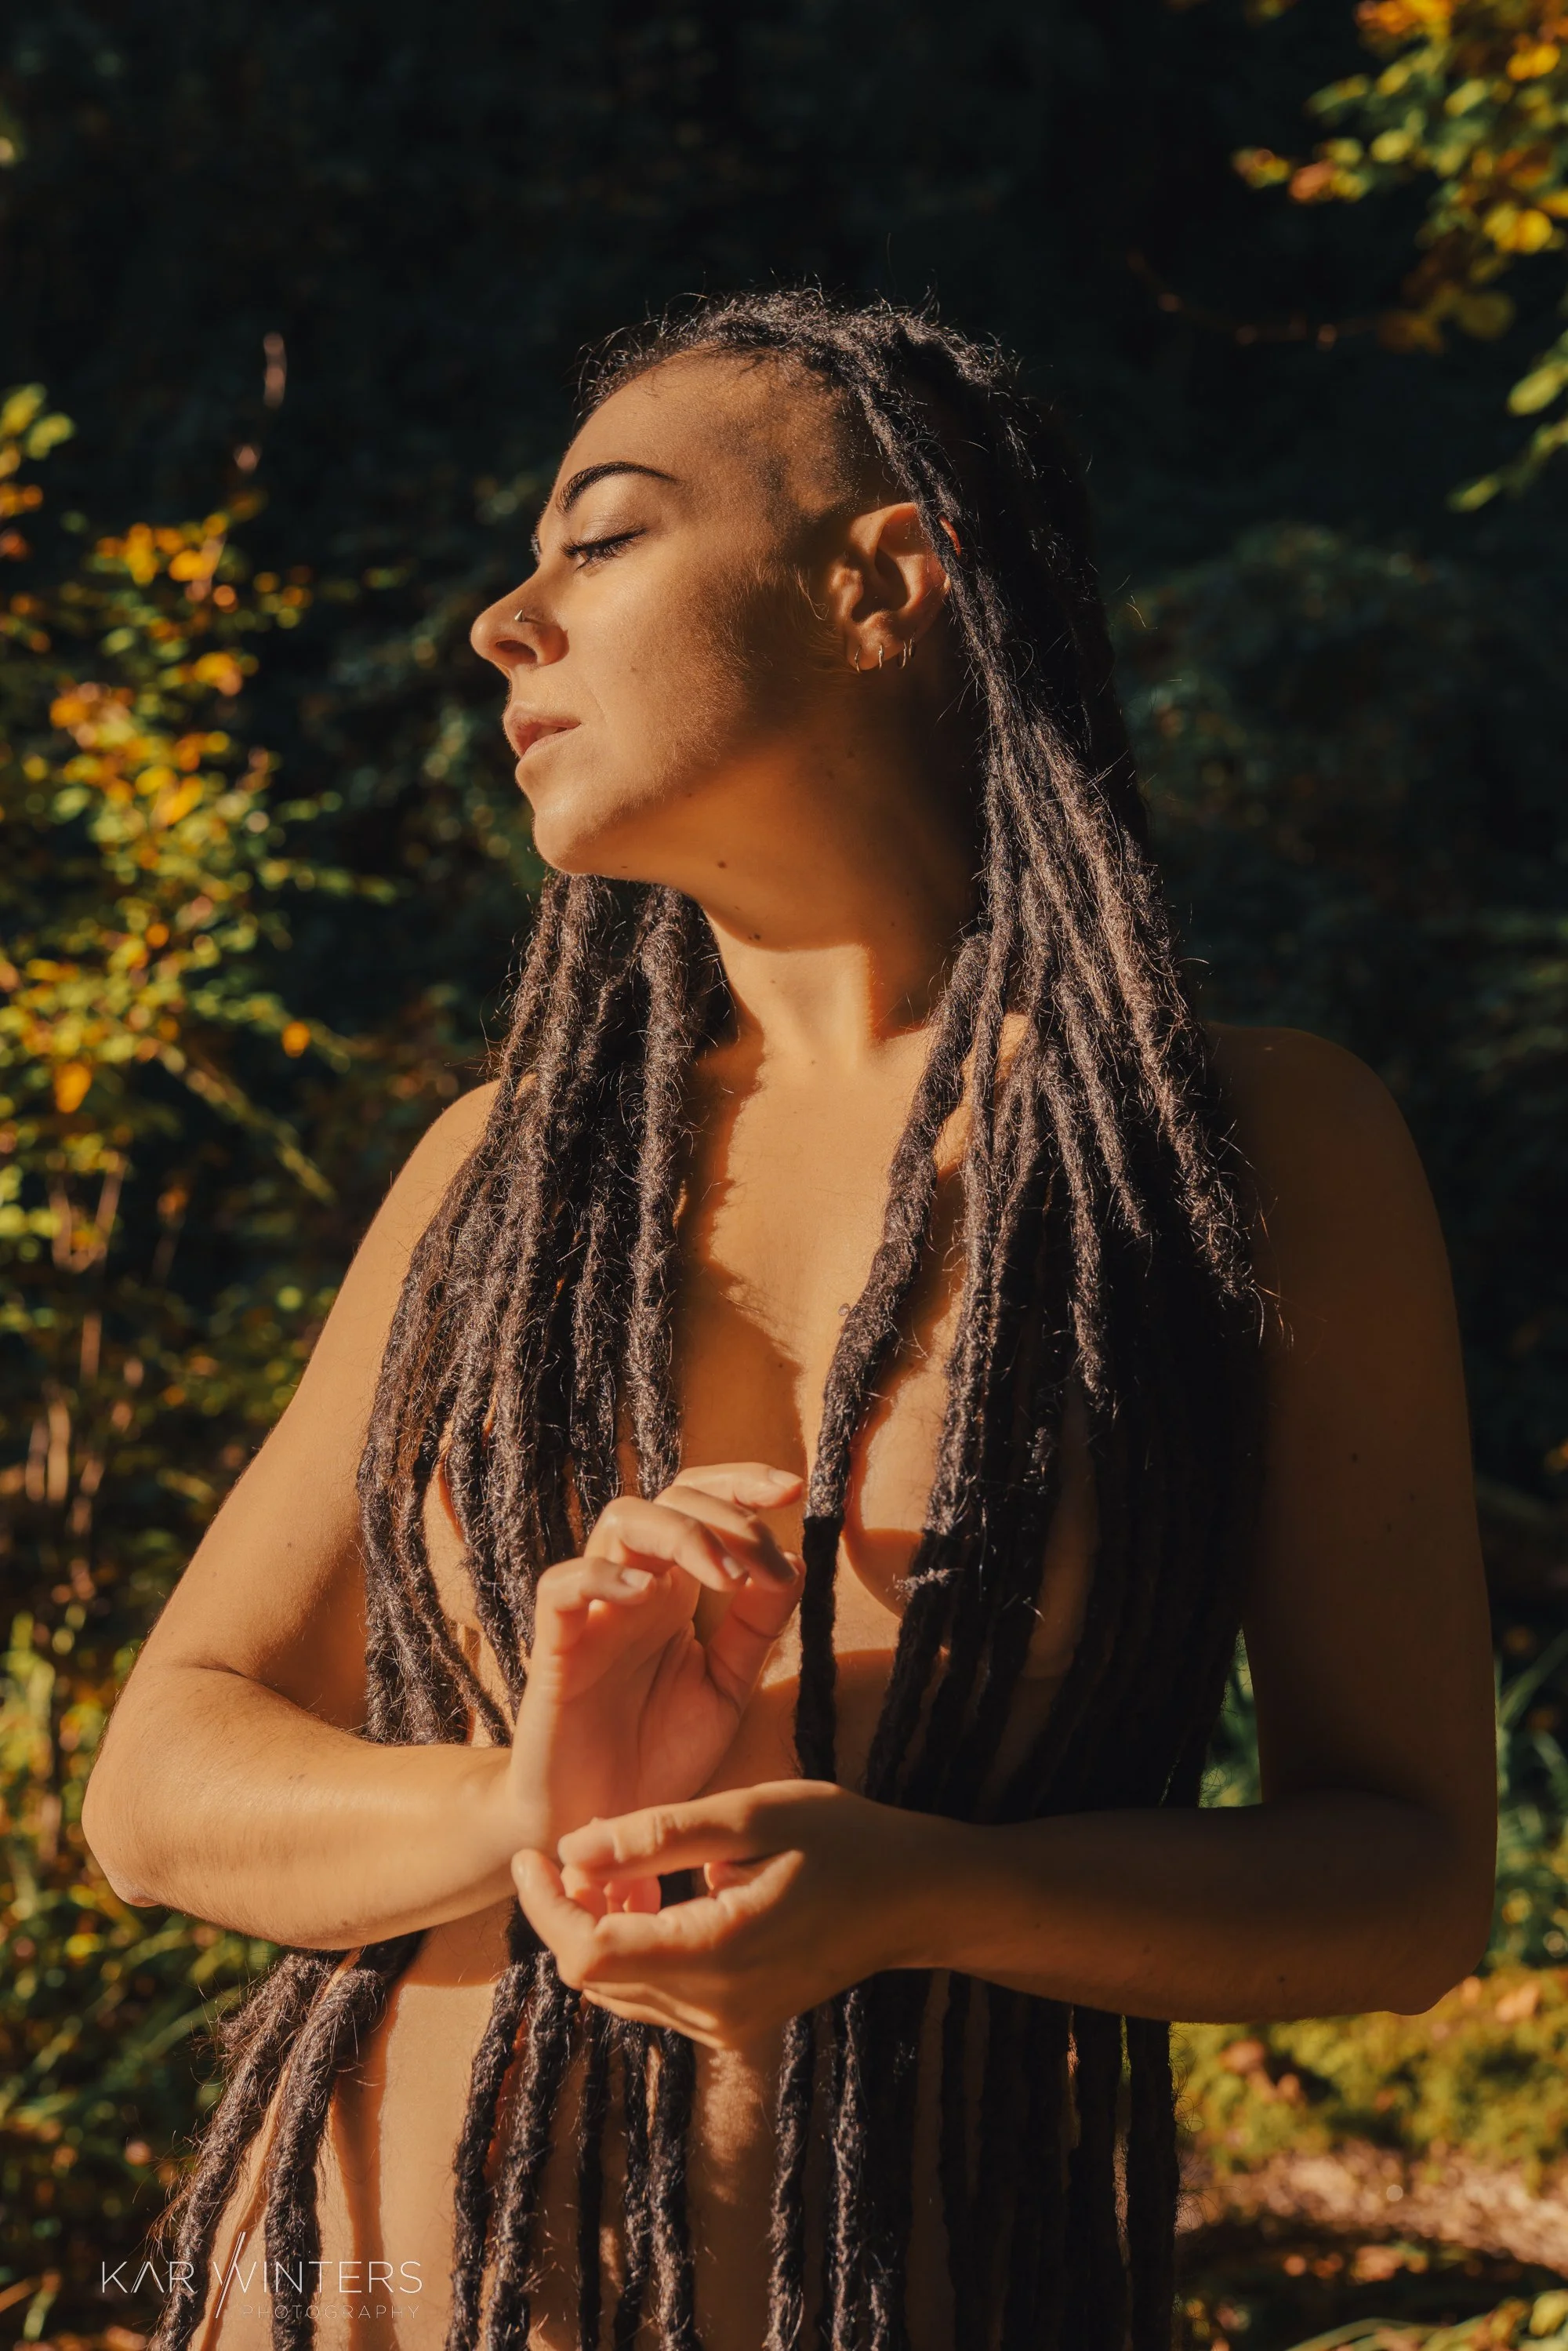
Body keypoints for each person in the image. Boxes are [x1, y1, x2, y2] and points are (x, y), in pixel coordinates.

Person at [81, 291, 1497, 2351]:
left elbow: (1409, 1880)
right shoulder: (502, 1169)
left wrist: (920, 1888)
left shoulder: (1242, 1152)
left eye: (604, 535)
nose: (505, 619)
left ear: (880, 584)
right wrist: (513, 1801)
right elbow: (156, 1786)